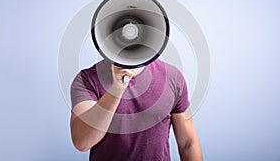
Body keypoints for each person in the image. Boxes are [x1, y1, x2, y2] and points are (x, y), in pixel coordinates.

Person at [70, 58, 202, 161]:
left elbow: (188, 144)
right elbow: (82, 142)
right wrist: (117, 88)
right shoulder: (86, 80)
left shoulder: (173, 77)